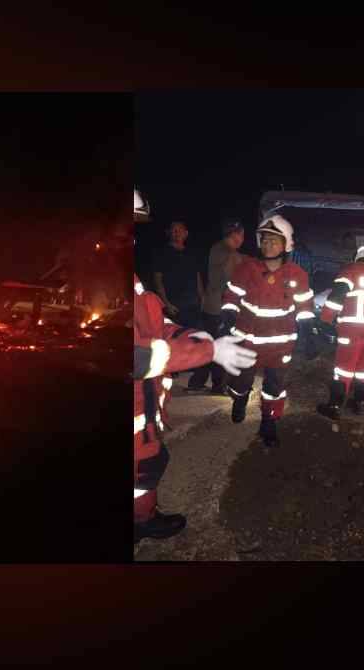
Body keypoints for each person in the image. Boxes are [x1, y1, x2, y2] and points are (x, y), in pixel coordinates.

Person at [133, 189, 256, 542]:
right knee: (147, 463)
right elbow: (142, 354)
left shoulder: (134, 280)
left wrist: (189, 332)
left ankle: (143, 517)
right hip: (139, 396)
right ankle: (141, 522)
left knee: (149, 462)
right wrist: (207, 351)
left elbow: (150, 319)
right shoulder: (218, 254)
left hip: (147, 394)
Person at [220, 214, 313, 449]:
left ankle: (269, 422)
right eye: (264, 240)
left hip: (280, 345)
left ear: (286, 244)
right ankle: (240, 400)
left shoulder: (297, 275)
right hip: (247, 341)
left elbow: (304, 307)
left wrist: (309, 333)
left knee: (275, 386)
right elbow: (231, 296)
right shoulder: (246, 268)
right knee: (241, 381)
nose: (267, 245)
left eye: (274, 241)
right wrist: (229, 314)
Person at [316, 245, 364, 418]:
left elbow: (337, 295)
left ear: (357, 258)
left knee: (344, 367)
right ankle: (358, 403)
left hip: (353, 328)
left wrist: (324, 319)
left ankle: (334, 406)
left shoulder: (351, 270)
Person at [186, 218, 245, 393]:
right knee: (219, 345)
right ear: (236, 235)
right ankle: (218, 386)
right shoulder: (226, 252)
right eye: (242, 236)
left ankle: (198, 382)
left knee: (209, 345)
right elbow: (228, 279)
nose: (243, 240)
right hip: (219, 308)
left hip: (214, 306)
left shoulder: (222, 250)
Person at [152, 220, 203, 330]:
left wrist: (202, 298)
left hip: (194, 304)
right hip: (175, 306)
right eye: (174, 230)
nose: (177, 233)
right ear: (169, 233)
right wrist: (166, 303)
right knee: (177, 339)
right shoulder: (162, 253)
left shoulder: (191, 253)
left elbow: (197, 276)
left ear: (186, 233)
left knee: (196, 337)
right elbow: (157, 280)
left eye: (180, 230)